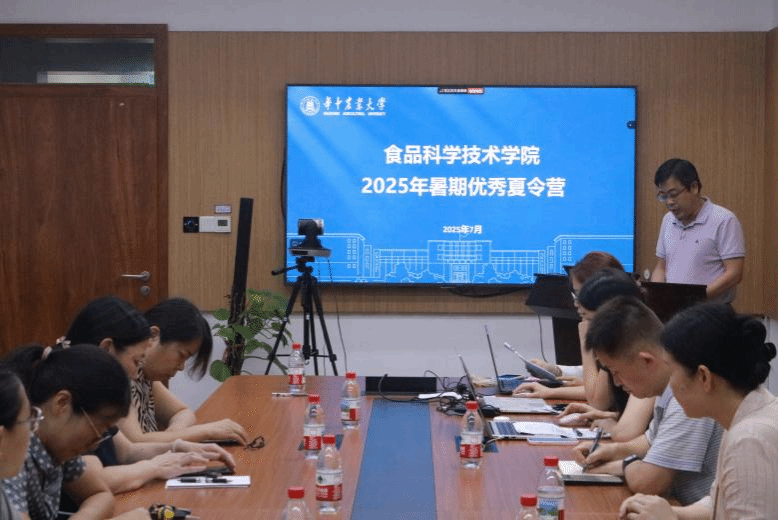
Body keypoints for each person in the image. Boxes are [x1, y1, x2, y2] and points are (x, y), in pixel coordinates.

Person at [618, 303, 778, 520]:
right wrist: (671, 512)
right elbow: (720, 500)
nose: (670, 384)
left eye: (673, 372)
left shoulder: (749, 438)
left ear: (704, 377)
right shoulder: (741, 413)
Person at [63, 296, 236, 494]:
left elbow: (127, 452)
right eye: (136, 361)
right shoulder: (69, 396)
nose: (135, 375)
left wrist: (177, 446)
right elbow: (95, 480)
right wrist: (155, 466)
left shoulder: (96, 390)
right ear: (107, 349)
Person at [573, 296, 722, 506]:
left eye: (616, 371)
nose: (616, 382)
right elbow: (649, 441)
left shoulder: (687, 393)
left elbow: (649, 482)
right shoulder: (666, 387)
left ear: (646, 360)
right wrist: (612, 452)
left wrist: (619, 465)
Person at [0, 344, 150, 520]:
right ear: (62, 403)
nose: (95, 443)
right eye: (99, 428)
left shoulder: (57, 449)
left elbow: (100, 494)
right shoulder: (13, 453)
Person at [119, 298, 250, 445]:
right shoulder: (121, 373)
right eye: (182, 355)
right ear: (153, 336)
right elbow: (136, 442)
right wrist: (206, 431)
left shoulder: (145, 376)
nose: (181, 367)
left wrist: (173, 436)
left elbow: (182, 412)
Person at [650, 158, 745, 304]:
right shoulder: (668, 220)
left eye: (673, 194)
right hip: (674, 310)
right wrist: (657, 295)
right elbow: (661, 267)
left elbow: (734, 273)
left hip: (711, 311)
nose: (669, 202)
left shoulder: (724, 220)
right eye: (664, 196)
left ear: (694, 187)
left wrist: (696, 299)